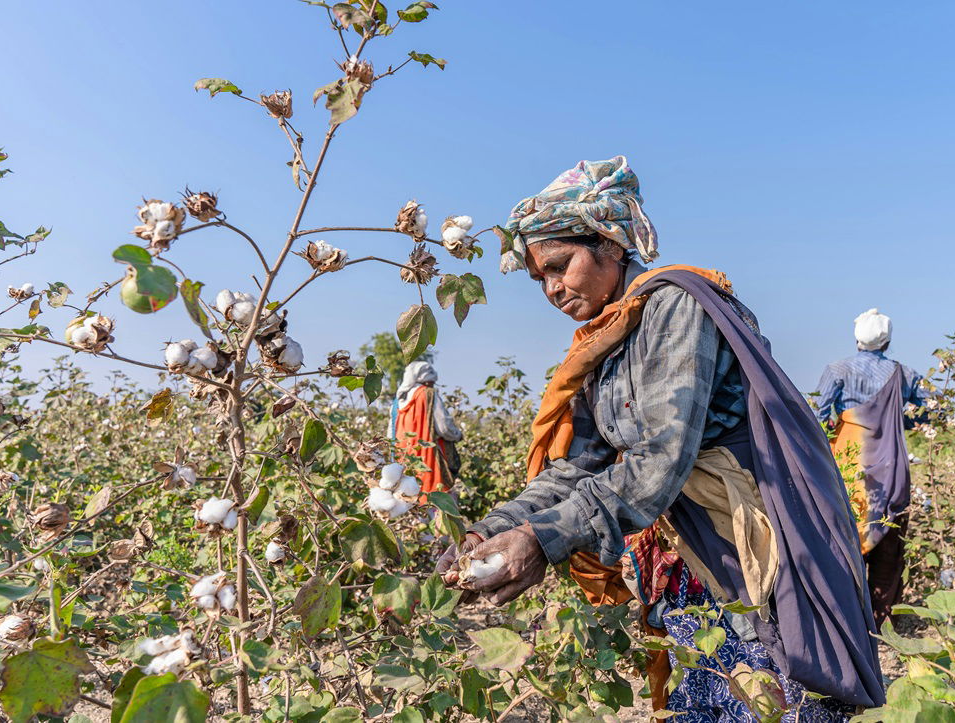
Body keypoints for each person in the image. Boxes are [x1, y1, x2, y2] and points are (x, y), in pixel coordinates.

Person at [437, 156, 883, 720]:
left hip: (751, 545)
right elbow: (580, 466)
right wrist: (492, 529)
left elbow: (658, 463)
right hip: (690, 554)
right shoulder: (609, 341)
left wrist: (541, 539)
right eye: (539, 278)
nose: (551, 288)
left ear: (611, 244)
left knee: (771, 688)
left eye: (559, 265)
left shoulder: (675, 307)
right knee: (711, 687)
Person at [812, 308, 925, 626]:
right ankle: (879, 622)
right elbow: (931, 410)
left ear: (857, 338)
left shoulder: (837, 370)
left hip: (849, 463)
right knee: (889, 542)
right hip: (891, 466)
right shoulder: (904, 374)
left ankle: (844, 617)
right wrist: (896, 422)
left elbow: (819, 417)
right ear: (887, 341)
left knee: (844, 534)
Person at [390, 361, 463, 497]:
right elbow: (444, 427)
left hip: (404, 459)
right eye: (431, 382)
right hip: (428, 459)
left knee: (408, 499)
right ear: (426, 381)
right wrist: (457, 435)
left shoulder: (397, 402)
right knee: (436, 501)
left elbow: (391, 434)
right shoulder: (428, 394)